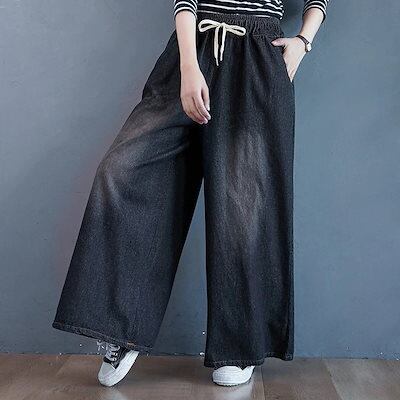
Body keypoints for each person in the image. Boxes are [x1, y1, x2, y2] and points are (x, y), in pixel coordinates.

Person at [52, 0, 329, 388]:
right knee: (122, 170)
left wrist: (303, 41)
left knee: (243, 206)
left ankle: (239, 344)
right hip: (192, 48)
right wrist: (188, 65)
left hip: (258, 56)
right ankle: (121, 325)